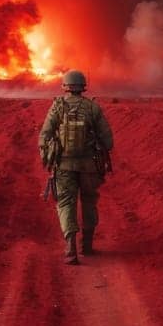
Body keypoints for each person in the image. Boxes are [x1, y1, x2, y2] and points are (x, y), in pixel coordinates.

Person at [39, 70, 114, 264]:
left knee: (65, 203)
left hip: (63, 166)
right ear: (83, 86)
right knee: (89, 201)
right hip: (89, 166)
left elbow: (45, 135)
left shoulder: (57, 107)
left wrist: (47, 158)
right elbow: (108, 140)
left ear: (65, 86)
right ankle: (87, 245)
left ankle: (70, 246)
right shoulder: (92, 107)